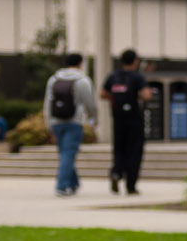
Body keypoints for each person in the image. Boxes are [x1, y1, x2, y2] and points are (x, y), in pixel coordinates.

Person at [100, 49, 156, 195]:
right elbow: (146, 95)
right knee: (134, 151)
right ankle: (131, 185)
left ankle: (116, 173)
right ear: (135, 61)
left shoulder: (113, 76)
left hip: (117, 119)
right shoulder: (137, 77)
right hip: (134, 119)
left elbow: (102, 94)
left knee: (118, 149)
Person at [44, 53, 97, 196]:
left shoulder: (53, 79)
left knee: (65, 154)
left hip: (56, 122)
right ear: (80, 63)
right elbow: (90, 103)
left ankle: (74, 183)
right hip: (74, 122)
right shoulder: (83, 80)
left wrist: (48, 123)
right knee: (68, 154)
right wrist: (94, 119)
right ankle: (62, 186)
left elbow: (48, 103)